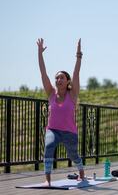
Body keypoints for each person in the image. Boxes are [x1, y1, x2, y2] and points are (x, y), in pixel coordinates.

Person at [37, 38, 85, 186]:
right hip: (52, 130)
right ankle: (48, 179)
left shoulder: (72, 94)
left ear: (67, 81)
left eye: (61, 77)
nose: (58, 80)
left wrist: (78, 55)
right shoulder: (51, 93)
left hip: (69, 131)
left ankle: (81, 171)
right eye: (57, 77)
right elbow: (43, 73)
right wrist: (40, 53)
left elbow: (76, 73)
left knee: (73, 154)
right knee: (48, 148)